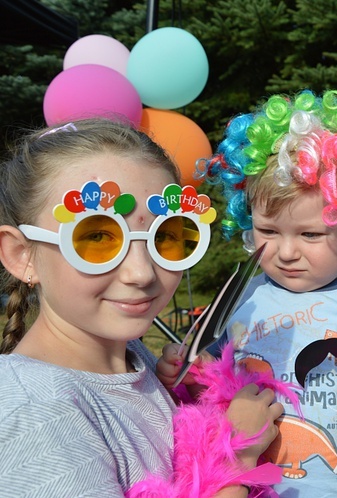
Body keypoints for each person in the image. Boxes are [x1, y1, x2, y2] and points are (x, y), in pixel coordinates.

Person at [157, 90, 337, 497]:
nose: (285, 252)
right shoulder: (240, 300)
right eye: (267, 231)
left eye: (311, 234)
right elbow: (213, 392)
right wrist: (187, 376)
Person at [0, 118, 283, 497]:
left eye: (166, 236)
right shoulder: (37, 410)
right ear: (22, 256)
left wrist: (195, 397)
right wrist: (235, 456)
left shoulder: (131, 356)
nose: (141, 272)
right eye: (97, 237)